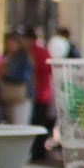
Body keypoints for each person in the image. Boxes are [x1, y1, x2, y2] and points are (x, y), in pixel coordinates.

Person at [25, 27, 55, 159]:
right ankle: (37, 151)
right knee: (38, 123)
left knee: (37, 122)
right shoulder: (40, 52)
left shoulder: (35, 52)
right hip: (40, 93)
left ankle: (37, 151)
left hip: (39, 93)